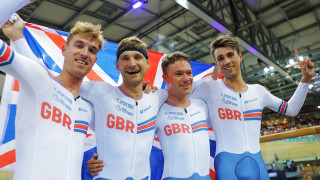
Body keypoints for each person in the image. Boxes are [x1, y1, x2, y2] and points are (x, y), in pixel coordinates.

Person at [190, 35, 314, 180]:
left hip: (258, 166)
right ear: (216, 63)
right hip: (226, 166)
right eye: (221, 58)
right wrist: (157, 94)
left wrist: (305, 79)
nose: (227, 61)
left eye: (230, 55)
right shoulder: (209, 88)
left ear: (240, 56)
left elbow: (292, 109)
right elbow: (179, 95)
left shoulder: (259, 91)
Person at [1, 13, 104, 180]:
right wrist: (16, 35)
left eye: (92, 50)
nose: (85, 53)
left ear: (94, 60)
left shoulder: (87, 109)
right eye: (79, 45)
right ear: (64, 50)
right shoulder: (39, 81)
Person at [80, 36, 168, 179]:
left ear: (147, 63)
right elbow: (64, 82)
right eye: (125, 58)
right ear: (117, 65)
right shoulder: (99, 91)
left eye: (137, 57)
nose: (132, 63)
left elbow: (185, 90)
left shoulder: (158, 97)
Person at [155, 51, 211, 179]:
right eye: (178, 74)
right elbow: (132, 145)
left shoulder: (202, 106)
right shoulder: (156, 110)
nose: (186, 79)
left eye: (189, 73)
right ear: (165, 78)